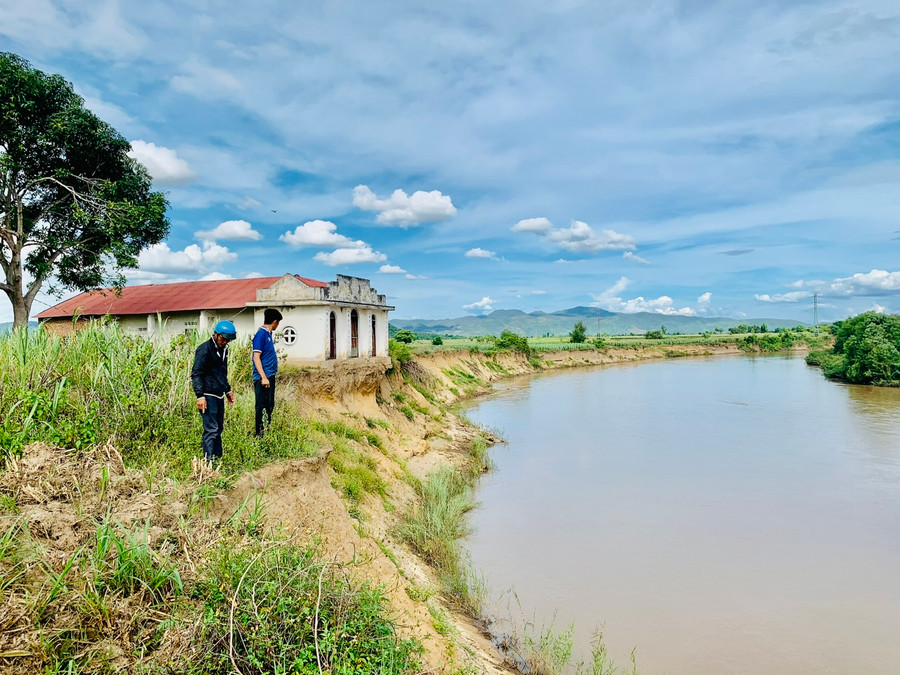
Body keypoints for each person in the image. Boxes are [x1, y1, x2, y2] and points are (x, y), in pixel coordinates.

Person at [191, 320, 236, 464]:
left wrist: (228, 390)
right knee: (211, 429)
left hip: (219, 394)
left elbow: (221, 373)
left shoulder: (224, 350)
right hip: (207, 395)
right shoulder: (204, 350)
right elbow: (196, 374)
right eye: (223, 339)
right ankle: (208, 464)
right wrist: (200, 396)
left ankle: (217, 460)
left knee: (219, 429)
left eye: (227, 340)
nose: (224, 342)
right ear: (216, 334)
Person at [252, 308, 282, 435]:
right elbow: (256, 357)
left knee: (269, 405)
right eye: (278, 323)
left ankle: (267, 432)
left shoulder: (268, 335)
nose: (277, 325)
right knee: (262, 407)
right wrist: (263, 377)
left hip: (270, 375)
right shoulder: (261, 334)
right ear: (274, 322)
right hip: (263, 377)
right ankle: (260, 435)